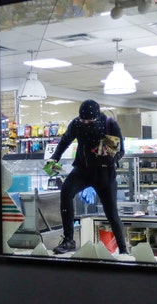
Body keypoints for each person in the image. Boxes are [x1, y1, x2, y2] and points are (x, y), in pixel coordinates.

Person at [46, 99, 128, 254]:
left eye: (88, 121)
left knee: (112, 213)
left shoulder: (109, 124)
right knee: (66, 192)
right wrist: (54, 157)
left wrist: (110, 157)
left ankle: (123, 250)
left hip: (104, 173)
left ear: (96, 117)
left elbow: (121, 151)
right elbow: (65, 141)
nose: (85, 123)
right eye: (82, 120)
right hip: (83, 170)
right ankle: (69, 240)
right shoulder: (76, 124)